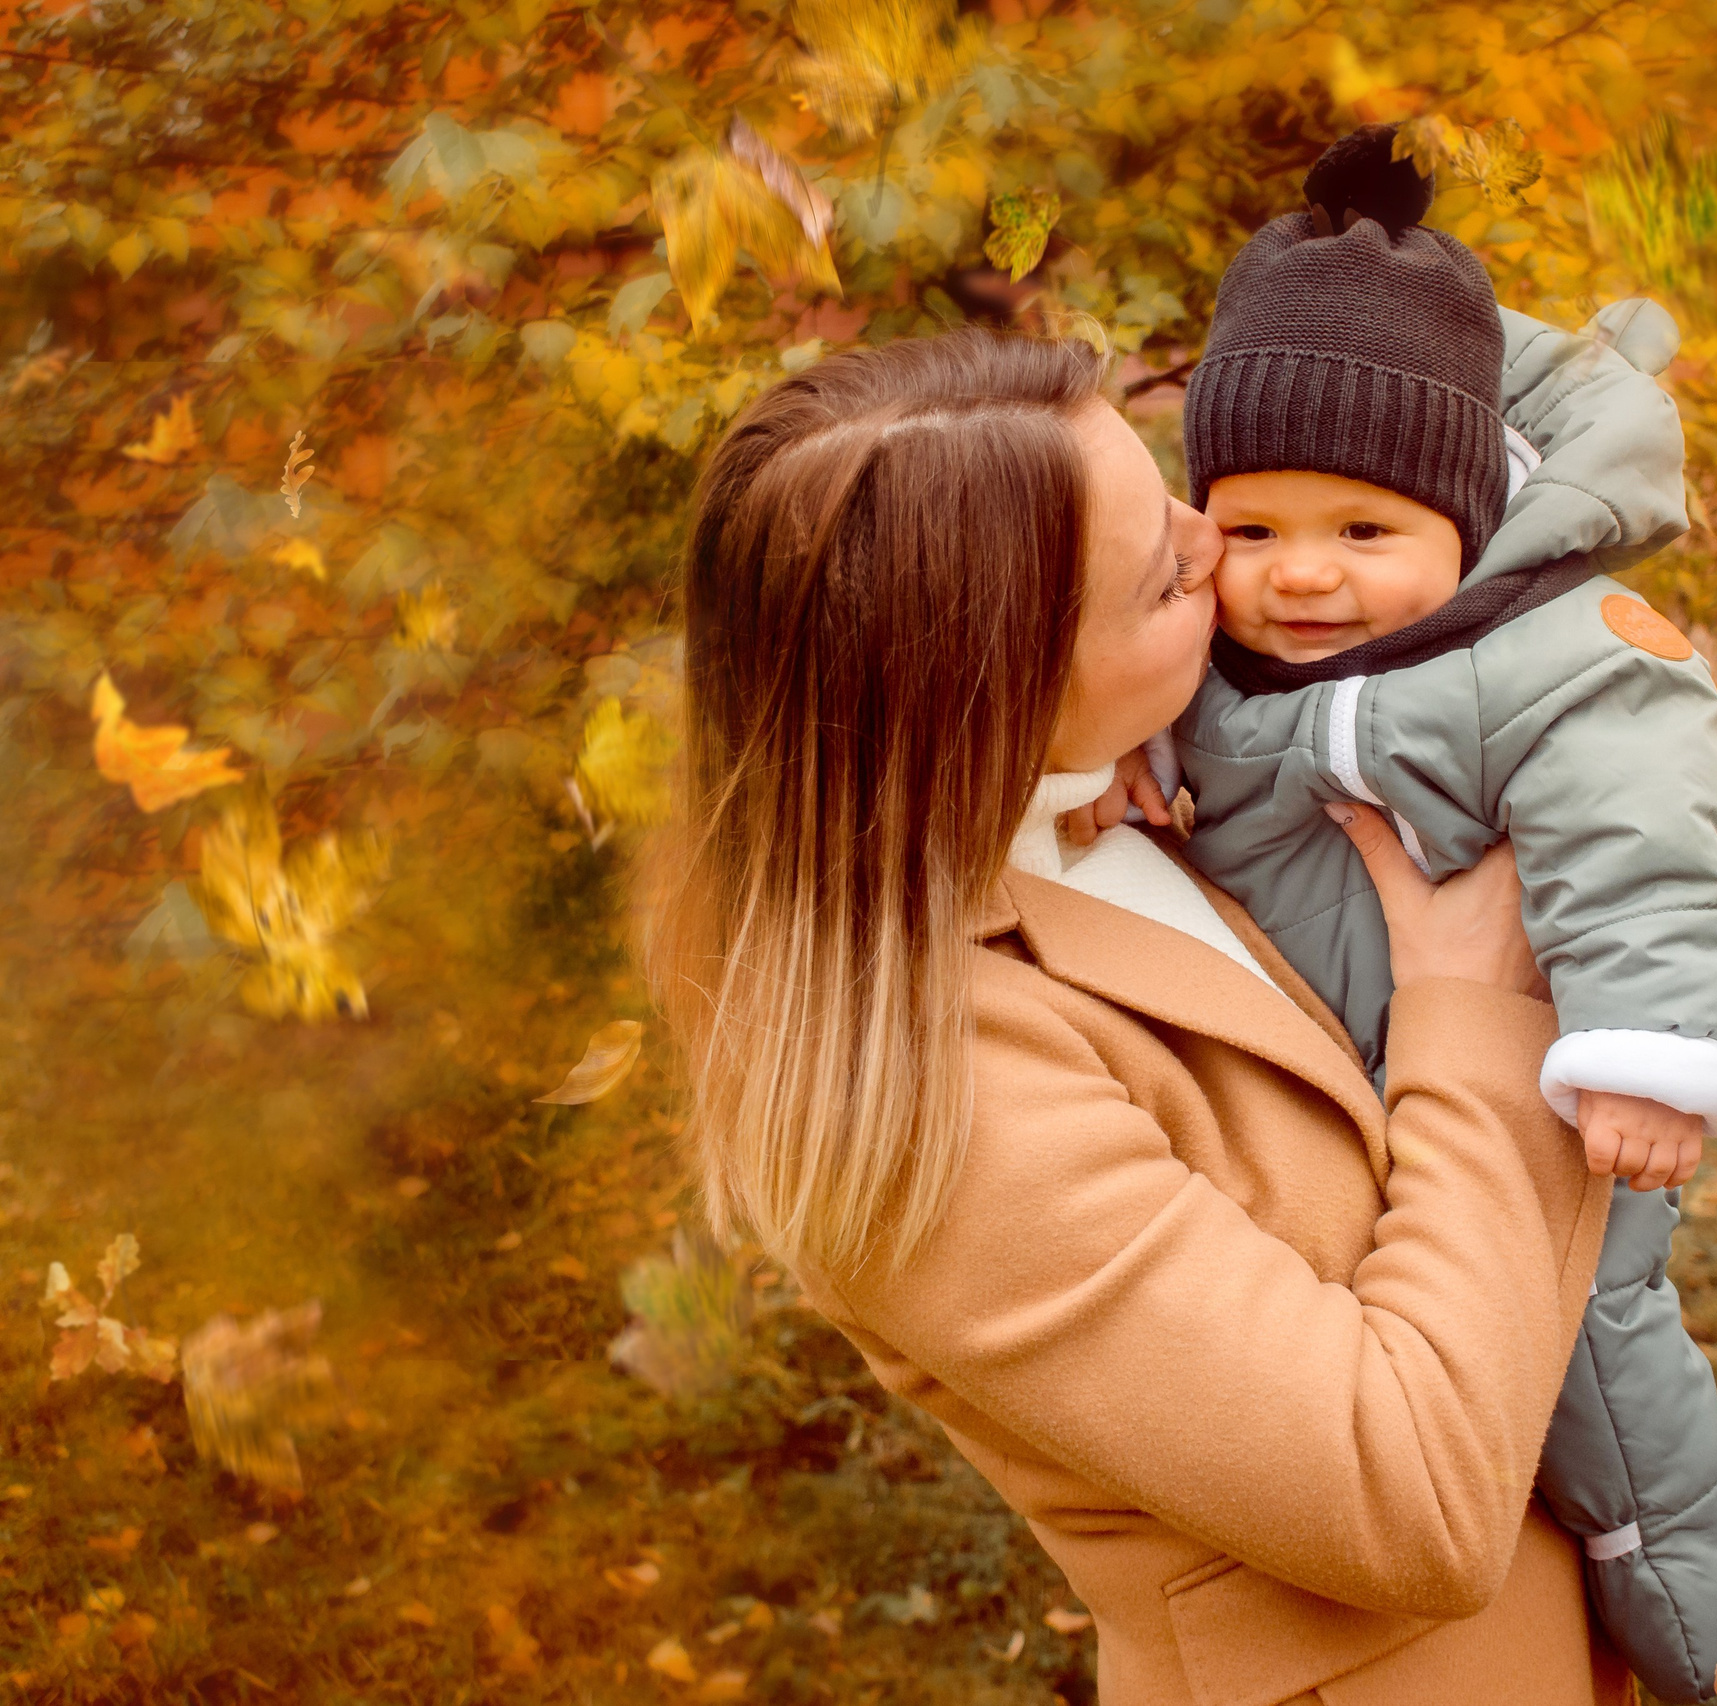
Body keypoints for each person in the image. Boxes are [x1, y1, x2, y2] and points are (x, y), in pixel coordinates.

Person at [641, 327, 1635, 1704]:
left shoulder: (1100, 794)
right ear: (993, 694)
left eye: (1171, 495)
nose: (1218, 544)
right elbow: (1410, 1493)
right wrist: (1472, 1019)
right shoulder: (947, 1097)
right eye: (1166, 576)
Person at [1165, 125, 1717, 1701]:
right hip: (1343, 1103)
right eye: (1254, 530)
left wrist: (1646, 1045)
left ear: (1467, 522)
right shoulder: (1207, 661)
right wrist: (1109, 779)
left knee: (1586, 1351)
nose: (1302, 577)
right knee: (1399, 1366)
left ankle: (1680, 1608)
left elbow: (1650, 833)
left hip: (1552, 1109)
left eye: (1363, 533)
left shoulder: (1550, 654)